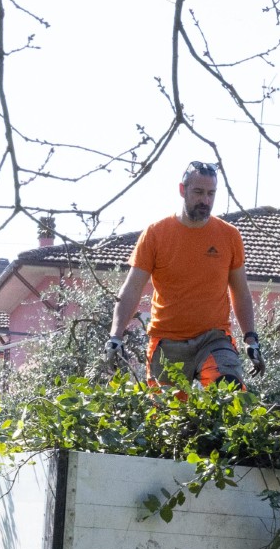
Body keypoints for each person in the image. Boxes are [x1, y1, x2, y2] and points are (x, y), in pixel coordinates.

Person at [106, 160, 263, 387]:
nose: (205, 200)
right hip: (167, 342)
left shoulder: (229, 236)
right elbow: (132, 288)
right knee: (167, 418)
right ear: (182, 190)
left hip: (214, 339)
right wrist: (115, 336)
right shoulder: (155, 234)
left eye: (211, 193)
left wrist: (251, 338)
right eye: (199, 192)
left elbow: (241, 292)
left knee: (230, 392)